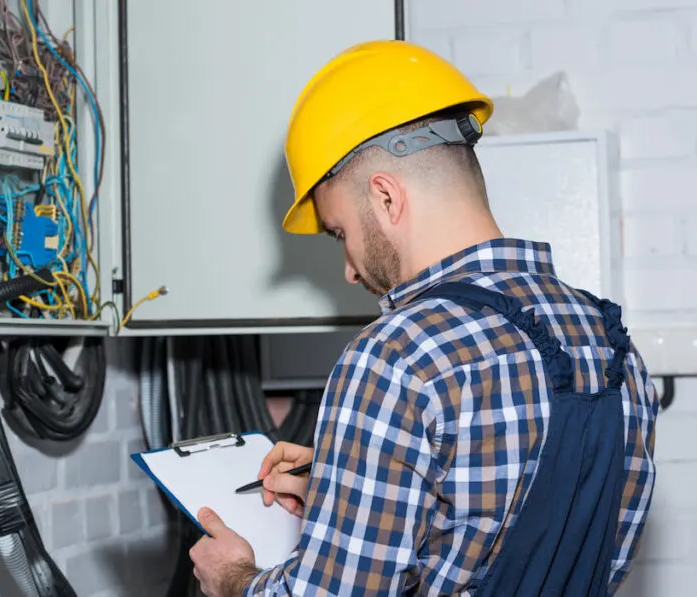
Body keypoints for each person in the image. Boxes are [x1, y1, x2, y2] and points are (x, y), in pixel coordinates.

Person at [188, 40, 659, 597]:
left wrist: (234, 580)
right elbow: (588, 554)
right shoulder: (612, 347)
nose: (348, 269)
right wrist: (355, 483)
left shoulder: (396, 356)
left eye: (340, 233)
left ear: (386, 198)